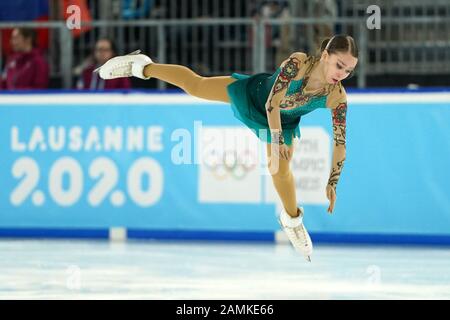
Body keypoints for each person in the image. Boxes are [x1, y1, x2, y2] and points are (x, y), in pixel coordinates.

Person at [94, 35, 358, 262]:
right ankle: (142, 66)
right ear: (325, 55)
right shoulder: (298, 63)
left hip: (284, 123)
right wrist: (276, 141)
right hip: (255, 96)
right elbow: (272, 104)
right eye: (339, 65)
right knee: (196, 85)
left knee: (278, 168)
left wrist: (333, 181)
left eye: (348, 71)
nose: (342, 75)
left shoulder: (337, 96)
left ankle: (292, 221)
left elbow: (340, 142)